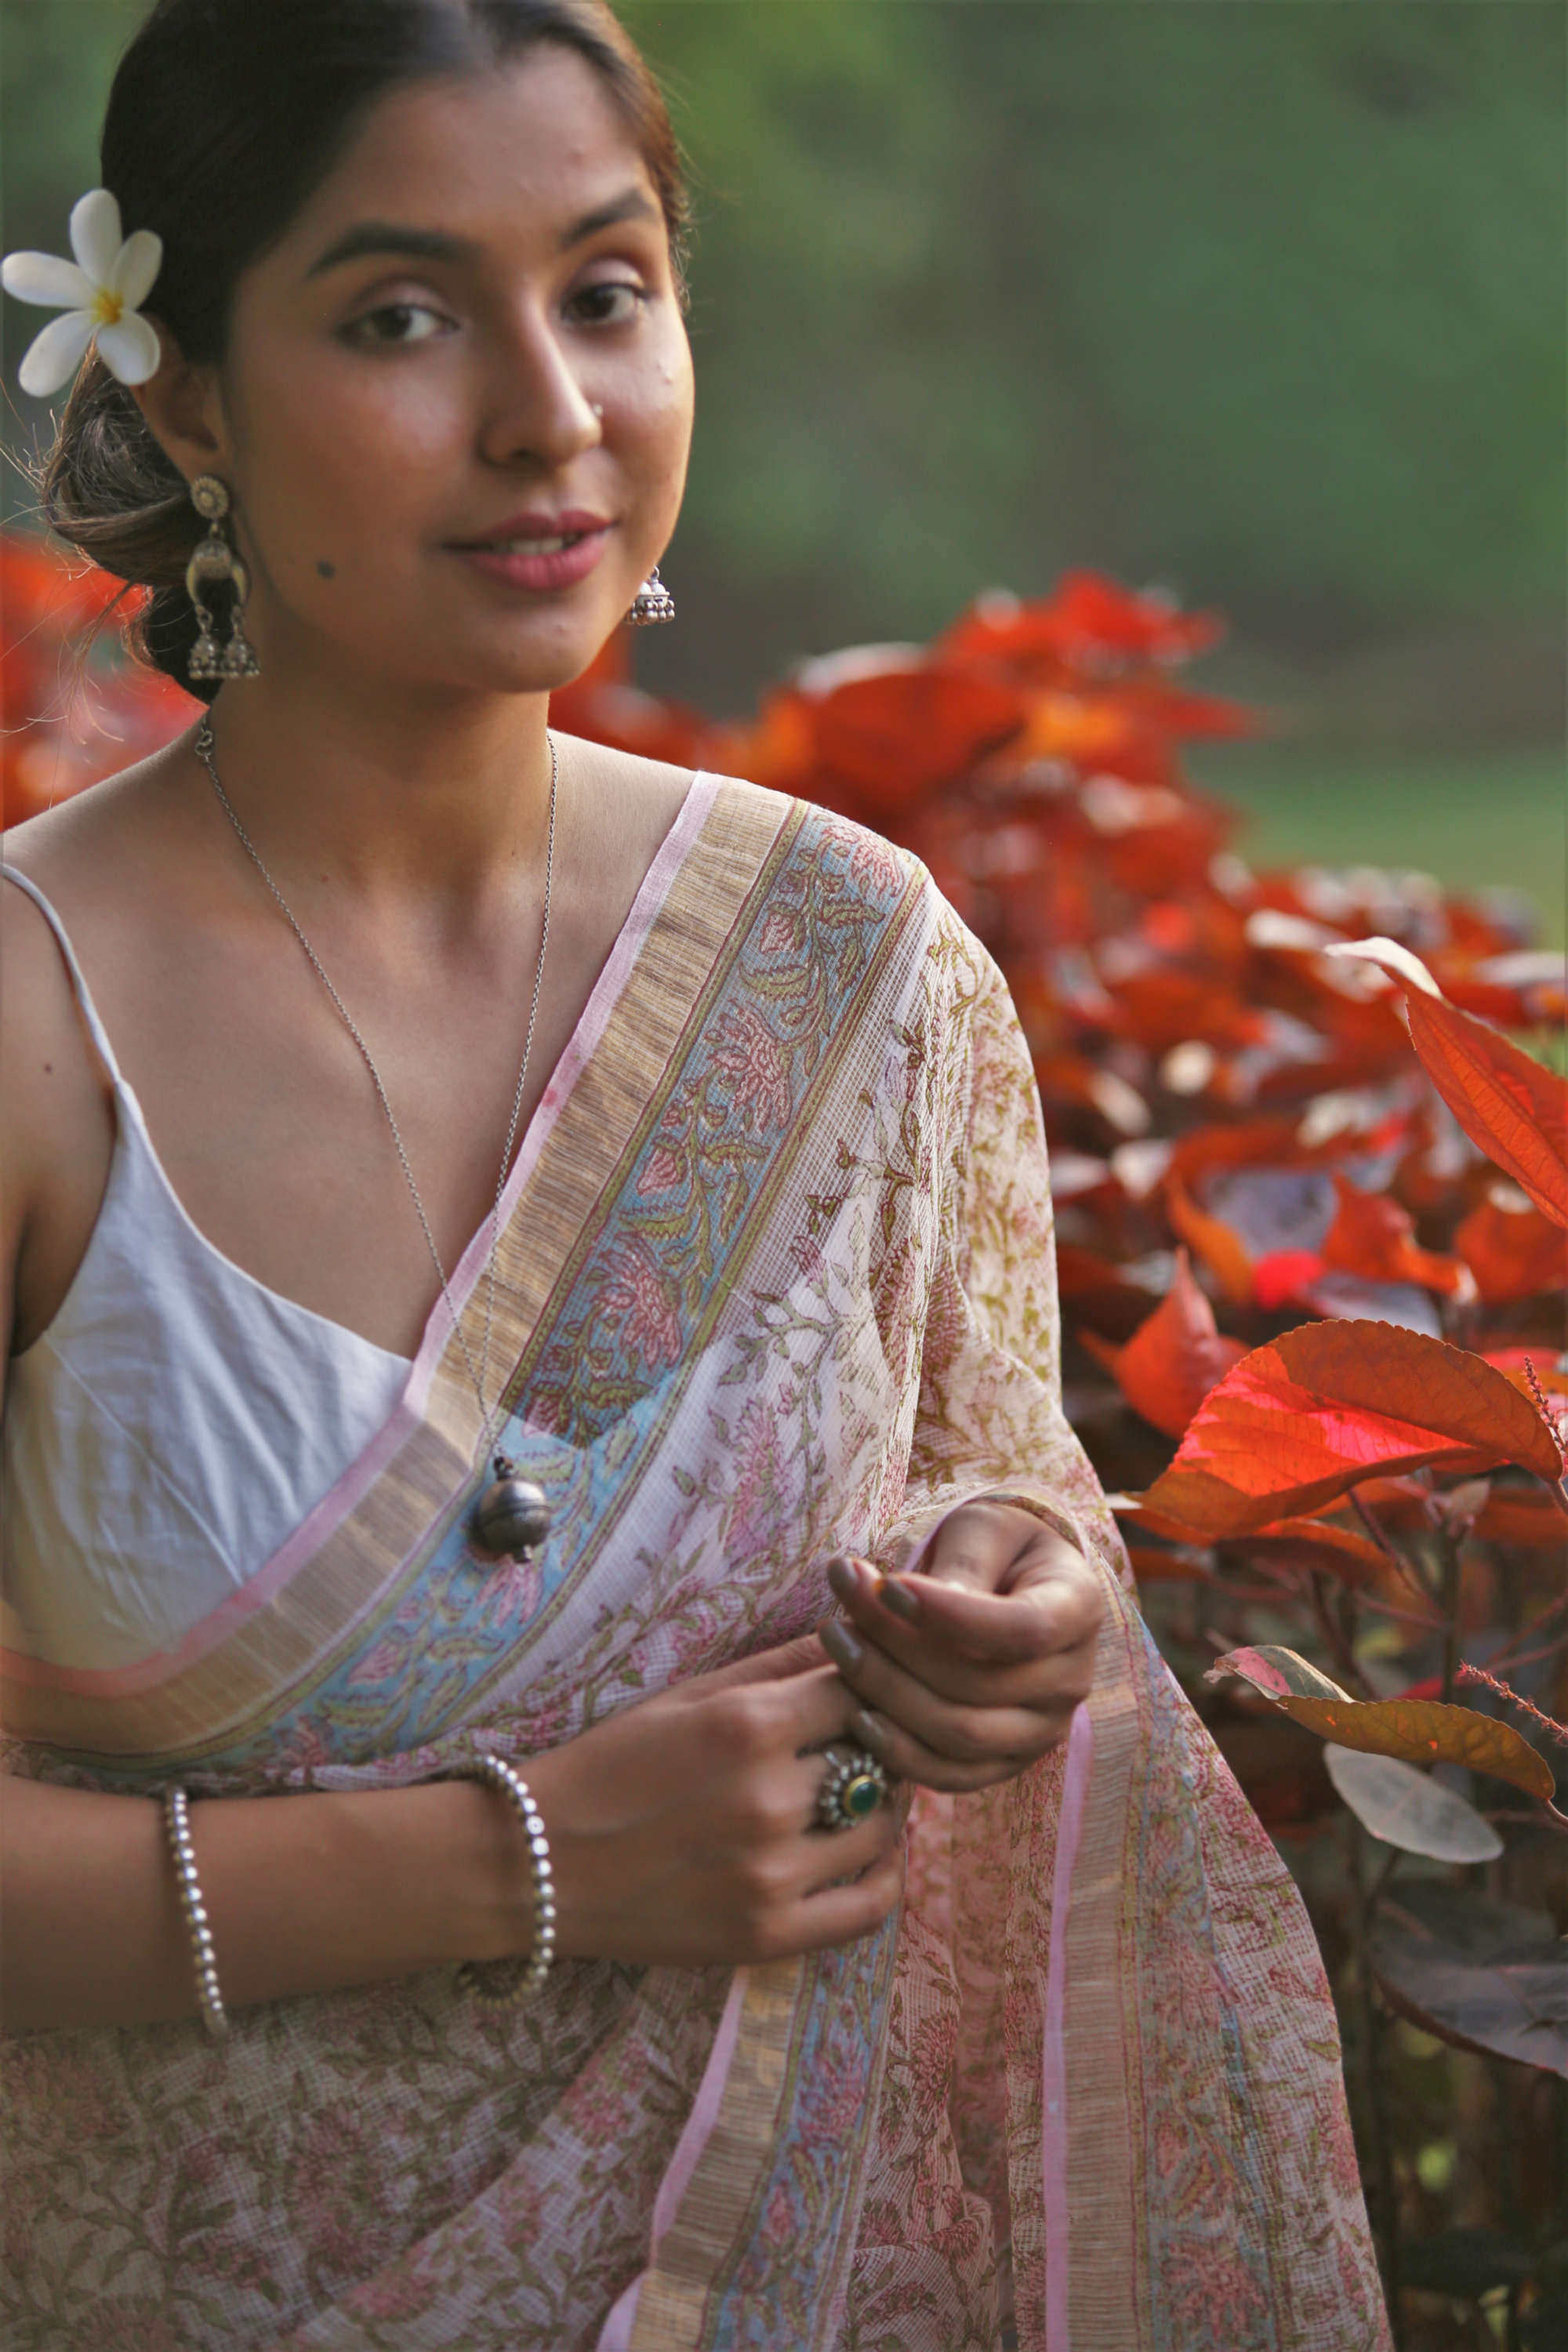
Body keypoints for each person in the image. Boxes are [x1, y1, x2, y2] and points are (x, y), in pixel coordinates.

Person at [0, 4, 1389, 2345]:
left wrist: (1016, 1604)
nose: (550, 411)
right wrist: (519, 1864)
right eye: (402, 314)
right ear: (188, 393)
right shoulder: (40, 1029)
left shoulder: (849, 964)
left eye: (609, 288)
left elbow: (1003, 1475)